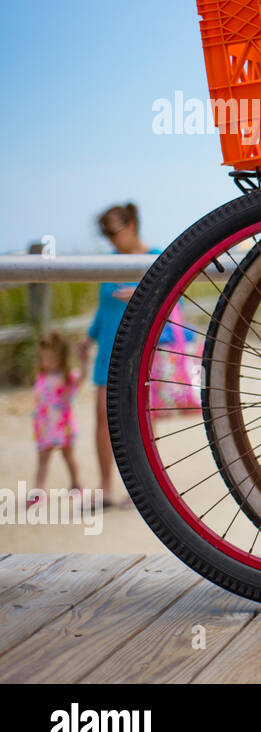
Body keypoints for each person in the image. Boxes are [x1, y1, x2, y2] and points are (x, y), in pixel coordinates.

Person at [84, 203, 157, 508]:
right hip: (106, 351)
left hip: (140, 349)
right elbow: (104, 307)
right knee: (102, 418)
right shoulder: (109, 263)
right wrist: (87, 337)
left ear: (131, 225)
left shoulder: (157, 256)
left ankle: (146, 489)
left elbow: (173, 299)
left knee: (141, 420)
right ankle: (104, 487)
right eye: (104, 233)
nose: (109, 239)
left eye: (112, 231)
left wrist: (143, 291)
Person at [28, 331, 87, 507]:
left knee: (68, 455)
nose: (47, 363)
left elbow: (82, 378)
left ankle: (76, 484)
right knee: (43, 458)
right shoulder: (41, 377)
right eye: (44, 359)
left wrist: (83, 361)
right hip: (45, 426)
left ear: (61, 358)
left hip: (63, 425)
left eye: (51, 359)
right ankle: (38, 491)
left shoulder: (67, 377)